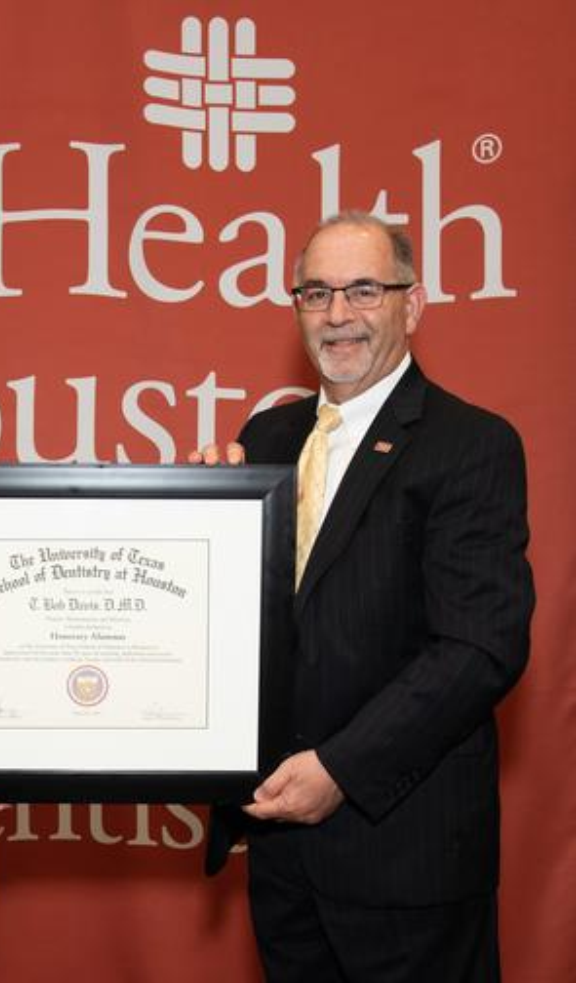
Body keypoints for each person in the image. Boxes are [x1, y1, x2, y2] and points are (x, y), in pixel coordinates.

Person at [197, 211, 534, 981]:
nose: (337, 314)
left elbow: (479, 647)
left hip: (404, 862)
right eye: (315, 292)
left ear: (410, 306)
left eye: (362, 290)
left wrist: (341, 768)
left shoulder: (470, 443)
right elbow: (244, 626)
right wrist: (205, 517)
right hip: (281, 849)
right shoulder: (266, 439)